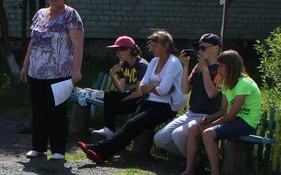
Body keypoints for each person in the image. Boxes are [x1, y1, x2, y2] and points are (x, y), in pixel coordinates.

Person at [78, 30, 184, 166]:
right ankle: (101, 152)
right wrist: (155, 85)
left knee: (133, 124)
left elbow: (162, 91)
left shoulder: (173, 63)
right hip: (150, 101)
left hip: (167, 106)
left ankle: (98, 150)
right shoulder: (154, 61)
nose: (152, 48)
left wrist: (153, 87)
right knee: (130, 124)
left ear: (166, 46)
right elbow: (143, 88)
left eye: (155, 46)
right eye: (151, 45)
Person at [21, 0, 84, 161]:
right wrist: (25, 64)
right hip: (36, 72)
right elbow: (33, 42)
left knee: (56, 111)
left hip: (59, 72)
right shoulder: (40, 14)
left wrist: (76, 70)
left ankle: (58, 150)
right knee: (38, 110)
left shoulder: (71, 15)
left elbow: (78, 45)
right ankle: (38, 147)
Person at [177, 49, 263, 175]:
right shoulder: (226, 84)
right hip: (234, 121)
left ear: (231, 67)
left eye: (221, 66)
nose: (218, 69)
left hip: (246, 122)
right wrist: (210, 118)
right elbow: (222, 111)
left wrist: (211, 125)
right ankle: (189, 170)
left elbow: (231, 115)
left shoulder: (244, 83)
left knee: (208, 133)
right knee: (193, 129)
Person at [153, 32, 223, 159]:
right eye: (198, 48)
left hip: (207, 116)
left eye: (203, 48)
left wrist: (205, 70)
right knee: (160, 138)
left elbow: (212, 94)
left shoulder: (221, 69)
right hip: (191, 113)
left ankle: (193, 162)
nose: (199, 51)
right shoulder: (198, 67)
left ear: (216, 48)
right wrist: (185, 67)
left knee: (178, 135)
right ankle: (195, 159)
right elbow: (185, 90)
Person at [90, 36, 147, 140]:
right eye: (116, 52)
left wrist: (123, 100)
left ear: (128, 51)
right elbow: (122, 90)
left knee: (112, 107)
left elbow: (140, 92)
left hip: (142, 100)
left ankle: (119, 135)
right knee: (109, 94)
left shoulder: (141, 65)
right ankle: (109, 129)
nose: (117, 55)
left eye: (119, 51)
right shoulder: (124, 65)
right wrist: (112, 74)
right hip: (131, 96)